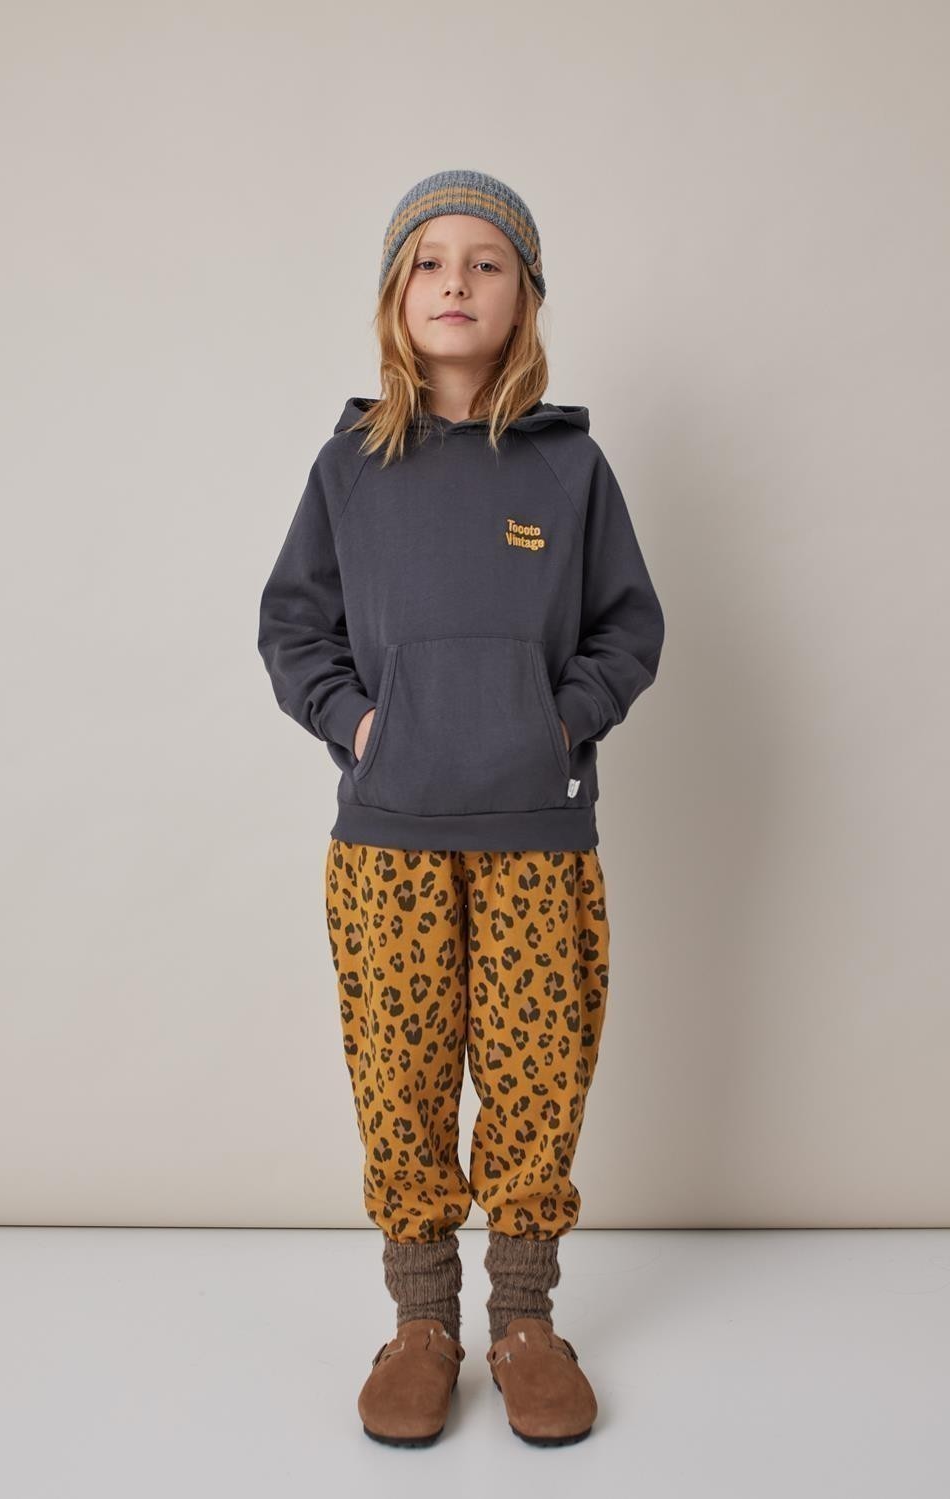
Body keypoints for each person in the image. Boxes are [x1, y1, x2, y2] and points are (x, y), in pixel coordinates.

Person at [257, 168, 665, 1447]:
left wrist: (557, 722)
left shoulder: (571, 467)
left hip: (537, 832)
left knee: (539, 1072)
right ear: (396, 294)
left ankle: (525, 1321)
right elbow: (294, 627)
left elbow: (627, 627)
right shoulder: (349, 467)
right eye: (429, 261)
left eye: (485, 262)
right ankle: (421, 1322)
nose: (454, 282)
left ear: (522, 299)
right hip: (388, 836)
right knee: (401, 1071)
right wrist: (359, 724)